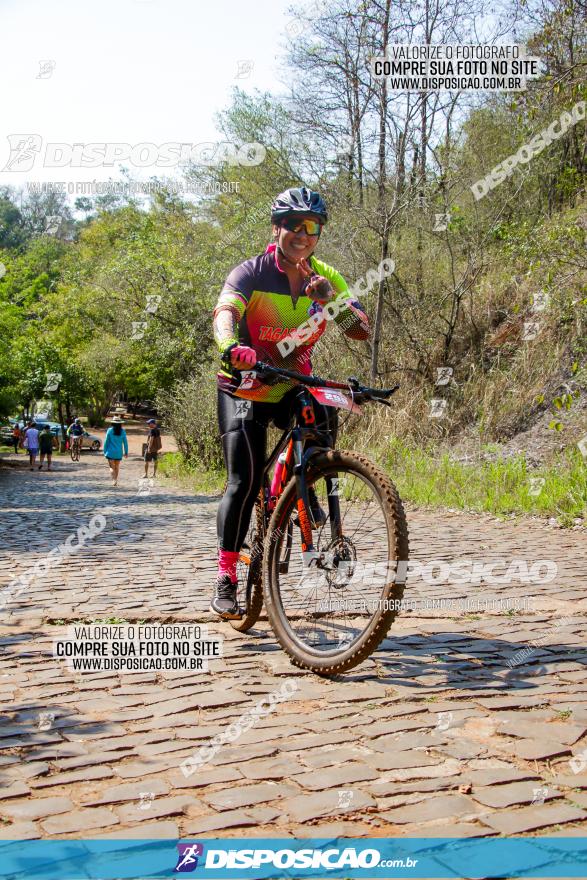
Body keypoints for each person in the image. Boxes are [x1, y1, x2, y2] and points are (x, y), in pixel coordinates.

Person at [210, 186, 370, 618]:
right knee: (242, 483)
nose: (302, 234)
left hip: (289, 382)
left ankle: (302, 484)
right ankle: (226, 574)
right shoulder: (252, 273)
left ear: (318, 234)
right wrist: (230, 346)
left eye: (312, 227)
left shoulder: (326, 277)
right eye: (294, 225)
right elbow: (225, 313)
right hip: (244, 387)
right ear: (277, 228)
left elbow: (361, 330)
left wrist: (331, 301)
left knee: (321, 411)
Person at [103, 416, 128, 486]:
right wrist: (126, 452)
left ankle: (114, 480)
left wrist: (104, 451)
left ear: (113, 423)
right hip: (119, 453)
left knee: (111, 467)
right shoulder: (123, 431)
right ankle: (116, 480)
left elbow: (106, 442)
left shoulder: (109, 430)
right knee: (117, 467)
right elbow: (125, 442)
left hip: (110, 452)